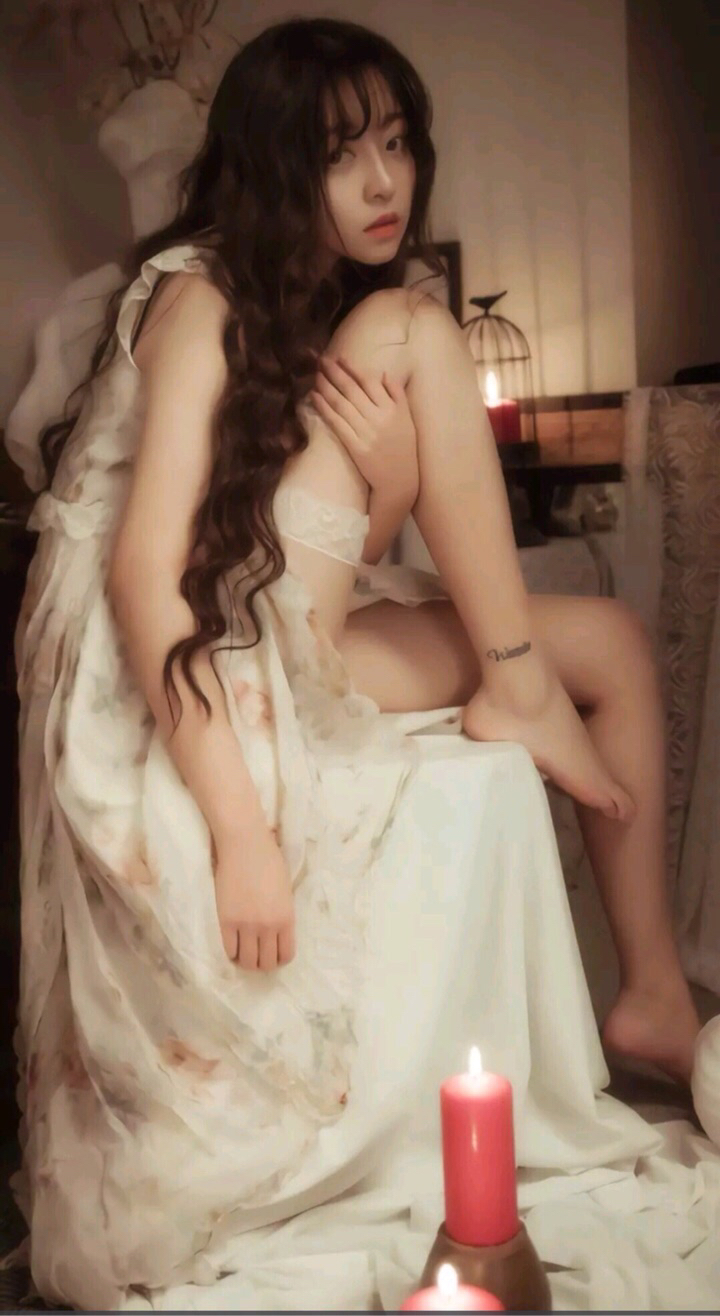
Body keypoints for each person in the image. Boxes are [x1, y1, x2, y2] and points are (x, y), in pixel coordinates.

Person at [7, 14, 701, 1307]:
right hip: (175, 662)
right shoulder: (201, 295)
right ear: (276, 167)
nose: (384, 181)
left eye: (395, 143)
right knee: (418, 331)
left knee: (609, 643)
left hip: (278, 627)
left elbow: (329, 552)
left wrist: (382, 469)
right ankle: (516, 687)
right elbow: (147, 576)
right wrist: (239, 829)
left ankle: (653, 992)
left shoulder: (324, 307)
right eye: (339, 156)